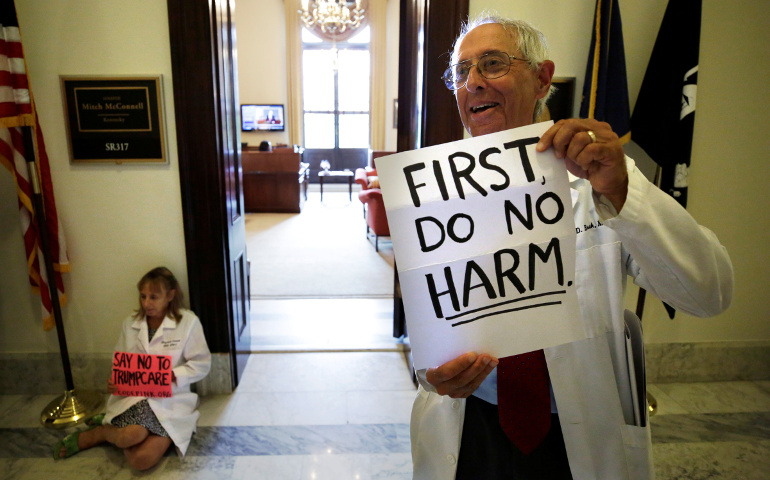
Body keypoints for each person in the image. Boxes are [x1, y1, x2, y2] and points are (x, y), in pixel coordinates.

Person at [409, 13, 733, 480]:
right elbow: (428, 334)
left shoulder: (600, 181)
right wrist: (432, 373)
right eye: (461, 73)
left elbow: (709, 293)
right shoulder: (432, 197)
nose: (473, 83)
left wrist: (623, 194)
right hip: (467, 430)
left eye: (492, 64)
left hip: (576, 438)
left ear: (542, 79)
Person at [53, 267, 211, 471]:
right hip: (136, 397)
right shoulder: (131, 323)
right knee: (132, 435)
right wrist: (115, 382)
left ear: (170, 295)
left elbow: (201, 363)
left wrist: (173, 375)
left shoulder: (188, 322)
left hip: (170, 400)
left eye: (154, 297)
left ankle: (113, 429)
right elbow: (121, 362)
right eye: (143, 296)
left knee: (140, 461)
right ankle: (98, 433)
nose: (146, 303)